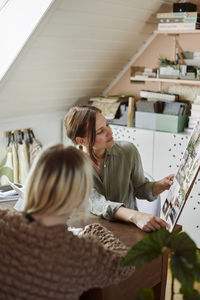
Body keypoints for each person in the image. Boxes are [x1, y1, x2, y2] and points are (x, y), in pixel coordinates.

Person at [0, 144, 134, 300]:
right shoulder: (81, 254)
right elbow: (126, 264)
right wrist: (96, 231)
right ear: (80, 195)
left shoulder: (4, 223)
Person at [64, 105, 174, 232]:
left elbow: (140, 188)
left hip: (130, 230)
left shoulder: (128, 151)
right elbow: (96, 203)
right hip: (93, 234)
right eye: (100, 131)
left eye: (107, 124)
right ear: (82, 141)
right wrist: (135, 216)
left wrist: (161, 185)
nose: (110, 132)